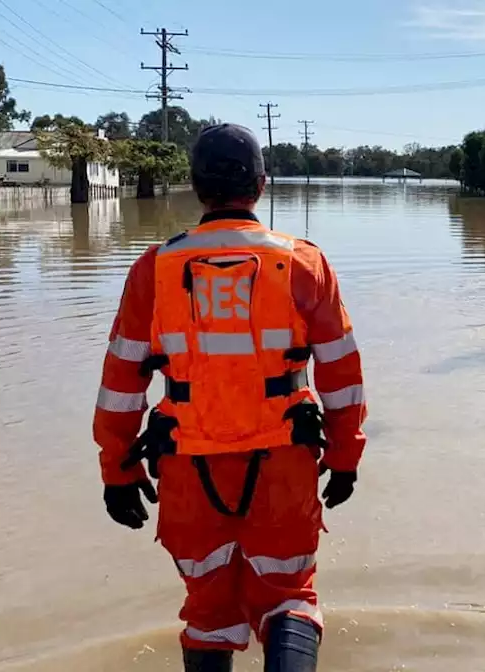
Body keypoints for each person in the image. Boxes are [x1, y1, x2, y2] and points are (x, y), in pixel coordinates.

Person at [92, 123, 368, 672]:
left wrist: (116, 470)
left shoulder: (154, 269)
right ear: (261, 186)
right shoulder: (305, 264)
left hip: (188, 470)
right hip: (283, 465)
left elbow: (122, 384)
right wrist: (344, 456)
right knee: (290, 596)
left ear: (196, 187)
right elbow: (342, 374)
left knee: (208, 612)